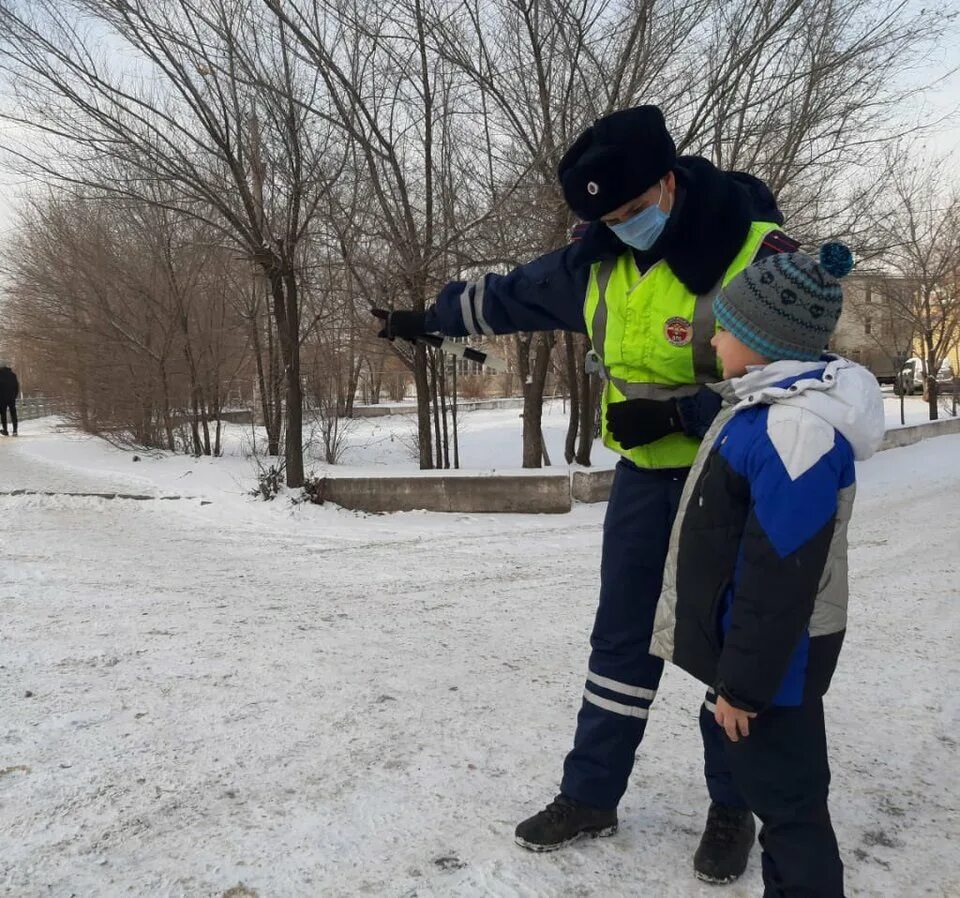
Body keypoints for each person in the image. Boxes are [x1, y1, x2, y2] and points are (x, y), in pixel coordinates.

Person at [376, 105, 802, 883]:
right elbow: (511, 295)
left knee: (720, 650)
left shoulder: (753, 253)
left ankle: (730, 808)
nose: (623, 224)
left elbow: (793, 383)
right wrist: (425, 320)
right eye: (609, 215)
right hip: (644, 479)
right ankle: (591, 795)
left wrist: (682, 410)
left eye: (634, 209)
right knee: (621, 642)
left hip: (732, 479)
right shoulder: (599, 256)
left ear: (669, 181)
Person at [651, 244, 884, 896]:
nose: (715, 337)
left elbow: (779, 580)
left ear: (763, 340)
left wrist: (746, 687)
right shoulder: (763, 410)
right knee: (779, 798)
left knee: (789, 812)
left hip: (774, 671)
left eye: (726, 327)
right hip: (763, 665)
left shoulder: (795, 431)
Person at [0, 365, 20, 436]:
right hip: (11, 398)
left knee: (3, 415)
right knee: (13, 414)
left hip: (1, 399)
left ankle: (5, 430)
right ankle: (15, 430)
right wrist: (14, 395)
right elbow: (16, 386)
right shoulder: (13, 375)